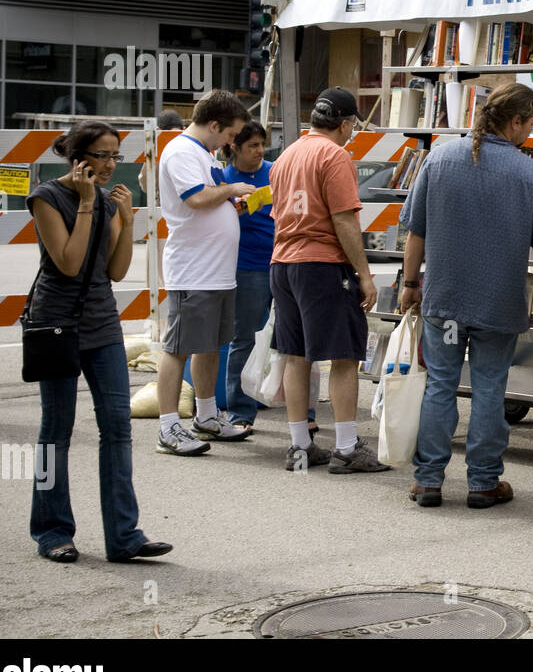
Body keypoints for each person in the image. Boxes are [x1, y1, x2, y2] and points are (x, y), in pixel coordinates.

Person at [399, 83, 533, 508]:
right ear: (516, 121)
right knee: (489, 389)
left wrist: (409, 284)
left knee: (440, 385)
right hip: (497, 303)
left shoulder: (440, 157)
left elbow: (416, 229)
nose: (530, 131)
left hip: (445, 299)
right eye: (531, 122)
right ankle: (483, 482)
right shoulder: (528, 173)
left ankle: (429, 479)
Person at [26, 121, 171, 563]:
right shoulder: (46, 198)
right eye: (103, 155)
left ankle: (124, 536)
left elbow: (116, 270)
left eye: (116, 156)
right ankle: (52, 531)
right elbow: (68, 263)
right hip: (56, 323)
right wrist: (89, 204)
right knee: (57, 430)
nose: (111, 165)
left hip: (101, 322)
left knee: (117, 427)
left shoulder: (108, 202)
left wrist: (125, 221)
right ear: (79, 156)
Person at [268, 87, 385, 473]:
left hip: (283, 262)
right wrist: (364, 275)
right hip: (321, 263)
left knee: (296, 356)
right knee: (344, 355)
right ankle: (347, 447)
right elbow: (344, 220)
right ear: (346, 122)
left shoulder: (286, 156)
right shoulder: (334, 156)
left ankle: (300, 444)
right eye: (353, 124)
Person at [155, 90, 256, 456]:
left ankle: (207, 416)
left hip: (215, 271)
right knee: (178, 347)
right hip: (194, 271)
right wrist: (231, 189)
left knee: (211, 344)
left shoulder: (203, 153)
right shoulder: (182, 151)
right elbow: (196, 199)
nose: (232, 143)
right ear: (214, 125)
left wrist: (234, 205)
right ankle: (168, 428)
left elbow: (209, 202)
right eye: (230, 135)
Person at [221, 121, 317, 434]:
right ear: (235, 146)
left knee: (298, 339)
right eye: (252, 146)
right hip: (248, 266)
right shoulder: (225, 179)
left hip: (286, 262)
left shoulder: (276, 170)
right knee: (244, 337)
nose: (260, 151)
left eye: (262, 144)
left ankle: (305, 411)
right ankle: (240, 413)